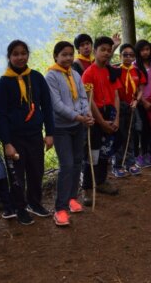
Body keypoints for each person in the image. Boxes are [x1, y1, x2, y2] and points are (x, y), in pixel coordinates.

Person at [0, 40, 55, 225]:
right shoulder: (4, 83)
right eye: (15, 54)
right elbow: (1, 116)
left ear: (28, 54)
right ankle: (19, 208)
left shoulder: (36, 78)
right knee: (17, 177)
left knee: (36, 172)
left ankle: (35, 203)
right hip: (15, 138)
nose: (20, 57)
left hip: (35, 135)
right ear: (9, 57)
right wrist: (7, 143)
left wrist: (50, 133)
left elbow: (47, 106)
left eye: (23, 53)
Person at [45, 41, 93, 226]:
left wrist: (87, 113)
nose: (67, 58)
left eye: (70, 54)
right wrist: (78, 117)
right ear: (56, 56)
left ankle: (73, 198)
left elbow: (82, 96)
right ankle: (60, 208)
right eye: (64, 55)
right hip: (61, 128)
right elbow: (56, 105)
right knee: (66, 165)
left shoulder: (74, 74)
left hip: (77, 126)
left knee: (77, 162)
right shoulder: (51, 76)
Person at [81, 36, 121, 206]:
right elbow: (89, 101)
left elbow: (116, 95)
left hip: (110, 113)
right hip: (95, 116)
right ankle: (87, 188)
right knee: (93, 153)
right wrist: (102, 122)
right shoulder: (88, 73)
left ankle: (102, 180)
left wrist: (116, 118)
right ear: (95, 51)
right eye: (102, 49)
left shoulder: (110, 70)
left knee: (106, 151)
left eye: (108, 50)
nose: (106, 53)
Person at [114, 44, 145, 176]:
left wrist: (137, 101)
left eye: (131, 55)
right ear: (120, 56)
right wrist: (114, 45)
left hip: (132, 106)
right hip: (118, 106)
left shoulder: (137, 71)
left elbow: (141, 89)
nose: (128, 57)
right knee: (119, 136)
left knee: (131, 135)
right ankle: (117, 165)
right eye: (125, 54)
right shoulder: (115, 70)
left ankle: (130, 163)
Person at [134, 39, 151, 167]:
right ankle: (138, 156)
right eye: (142, 50)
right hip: (139, 102)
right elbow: (135, 85)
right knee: (140, 128)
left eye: (147, 49)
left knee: (150, 128)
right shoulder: (135, 65)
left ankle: (147, 152)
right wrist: (142, 101)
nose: (145, 52)